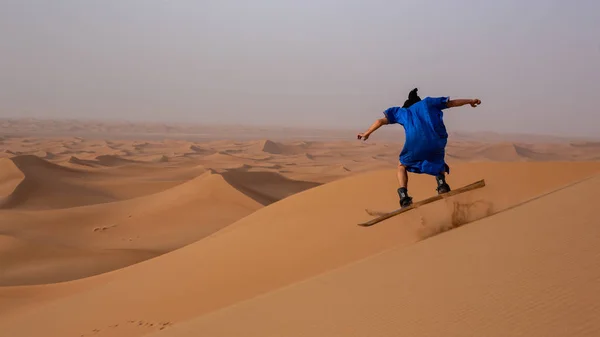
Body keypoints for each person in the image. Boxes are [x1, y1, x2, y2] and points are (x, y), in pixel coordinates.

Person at [357, 88, 481, 208]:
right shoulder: (428, 102)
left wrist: (367, 133)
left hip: (415, 142)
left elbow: (380, 121)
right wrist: (470, 101)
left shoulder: (402, 111)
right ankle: (442, 184)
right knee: (438, 160)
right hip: (437, 140)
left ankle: (404, 196)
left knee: (402, 165)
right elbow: (452, 103)